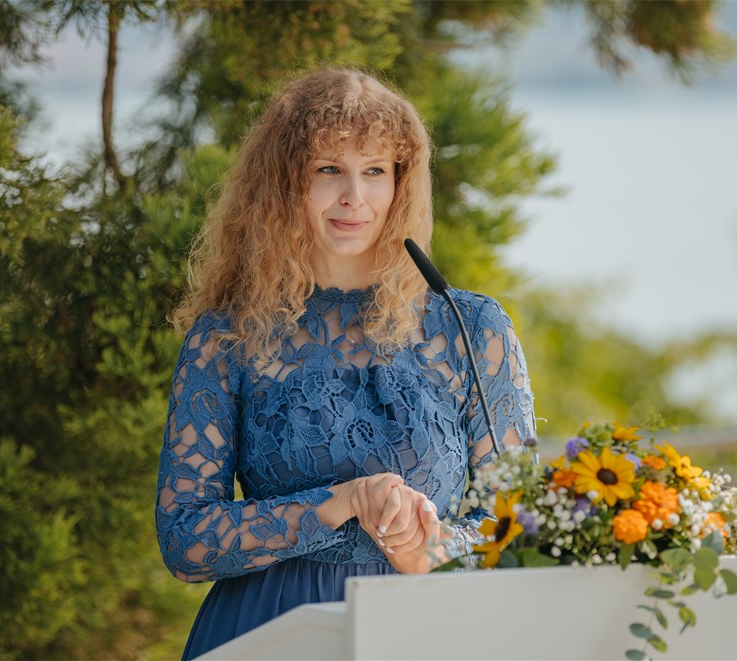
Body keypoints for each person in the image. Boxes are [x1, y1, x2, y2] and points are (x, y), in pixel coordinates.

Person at [155, 67, 537, 660]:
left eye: (375, 171)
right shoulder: (226, 337)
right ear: (283, 185)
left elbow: (523, 527)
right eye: (328, 169)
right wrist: (336, 503)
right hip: (266, 632)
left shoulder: (473, 330)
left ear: (400, 184)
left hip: (431, 632)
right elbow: (185, 541)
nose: (354, 197)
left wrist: (433, 551)